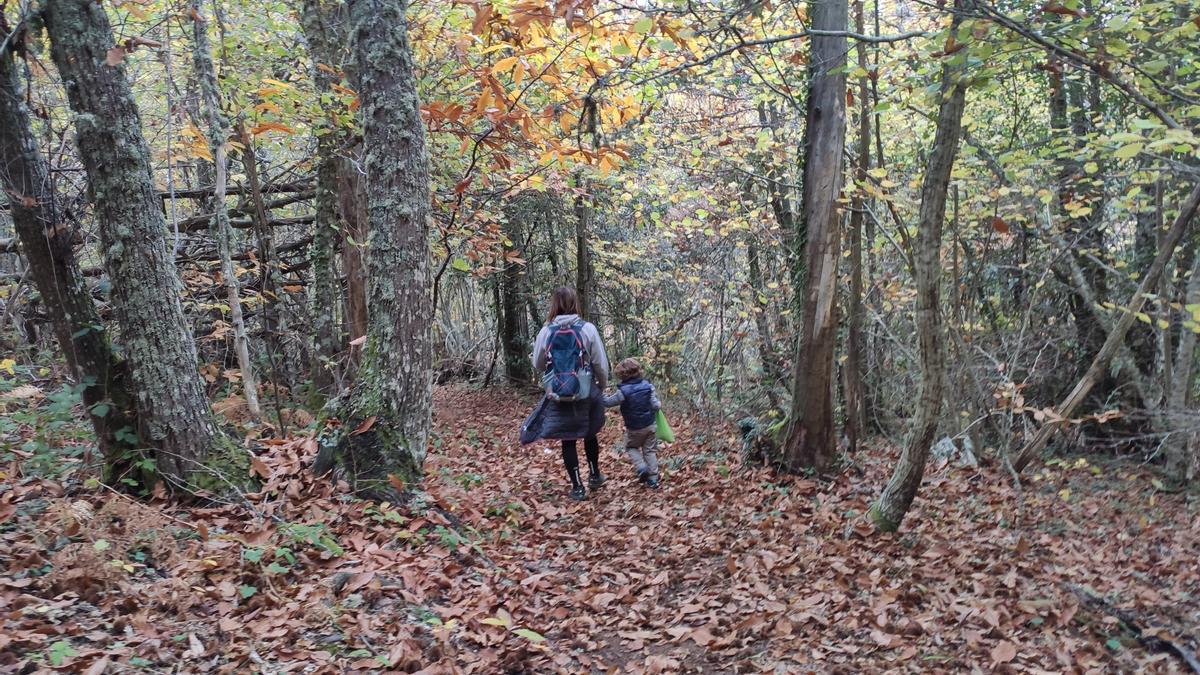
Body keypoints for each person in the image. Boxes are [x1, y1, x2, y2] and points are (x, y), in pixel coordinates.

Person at [530, 287, 610, 501]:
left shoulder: (546, 331)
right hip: (585, 389)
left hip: (558, 391)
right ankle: (594, 474)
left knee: (568, 439)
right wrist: (601, 385)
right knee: (590, 433)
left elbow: (538, 363)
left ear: (554, 305)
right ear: (575, 303)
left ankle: (577, 486)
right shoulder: (588, 329)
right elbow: (600, 362)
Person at [602, 358, 662, 488]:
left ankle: (641, 467)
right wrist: (659, 404)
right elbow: (656, 406)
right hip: (650, 425)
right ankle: (653, 480)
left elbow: (607, 403)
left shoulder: (623, 391)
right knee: (650, 451)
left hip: (634, 427)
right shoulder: (648, 386)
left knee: (631, 447)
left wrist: (600, 394)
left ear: (622, 375)